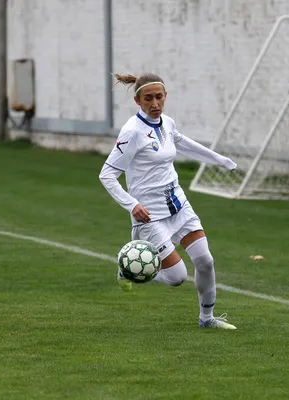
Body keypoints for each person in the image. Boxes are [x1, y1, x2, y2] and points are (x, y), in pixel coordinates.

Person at [99, 72, 238, 330]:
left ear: (166, 97)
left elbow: (184, 144)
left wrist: (219, 160)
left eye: (159, 97)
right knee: (176, 278)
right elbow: (106, 175)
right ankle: (129, 268)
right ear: (137, 100)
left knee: (205, 261)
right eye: (148, 99)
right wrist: (132, 204)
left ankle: (207, 319)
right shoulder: (132, 132)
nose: (155, 104)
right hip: (150, 215)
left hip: (178, 205)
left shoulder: (167, 123)